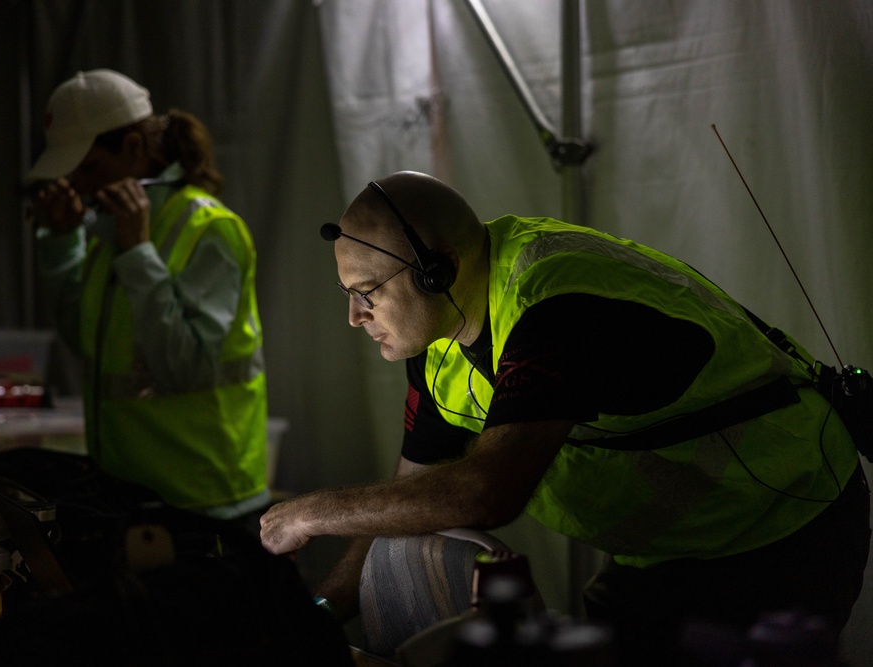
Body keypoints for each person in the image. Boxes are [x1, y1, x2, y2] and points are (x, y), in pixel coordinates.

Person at [260, 171, 870, 664]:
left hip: (780, 524)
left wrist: (309, 515)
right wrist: (318, 615)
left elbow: (487, 492)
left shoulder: (555, 303)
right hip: (658, 552)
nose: (354, 316)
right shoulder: (438, 334)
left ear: (435, 269)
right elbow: (408, 497)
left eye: (366, 292)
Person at [29, 69, 270, 524]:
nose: (79, 187)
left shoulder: (209, 229)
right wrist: (62, 243)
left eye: (91, 167)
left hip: (203, 503)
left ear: (135, 149)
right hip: (129, 494)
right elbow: (87, 342)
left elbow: (185, 367)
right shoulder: (109, 231)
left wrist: (138, 253)